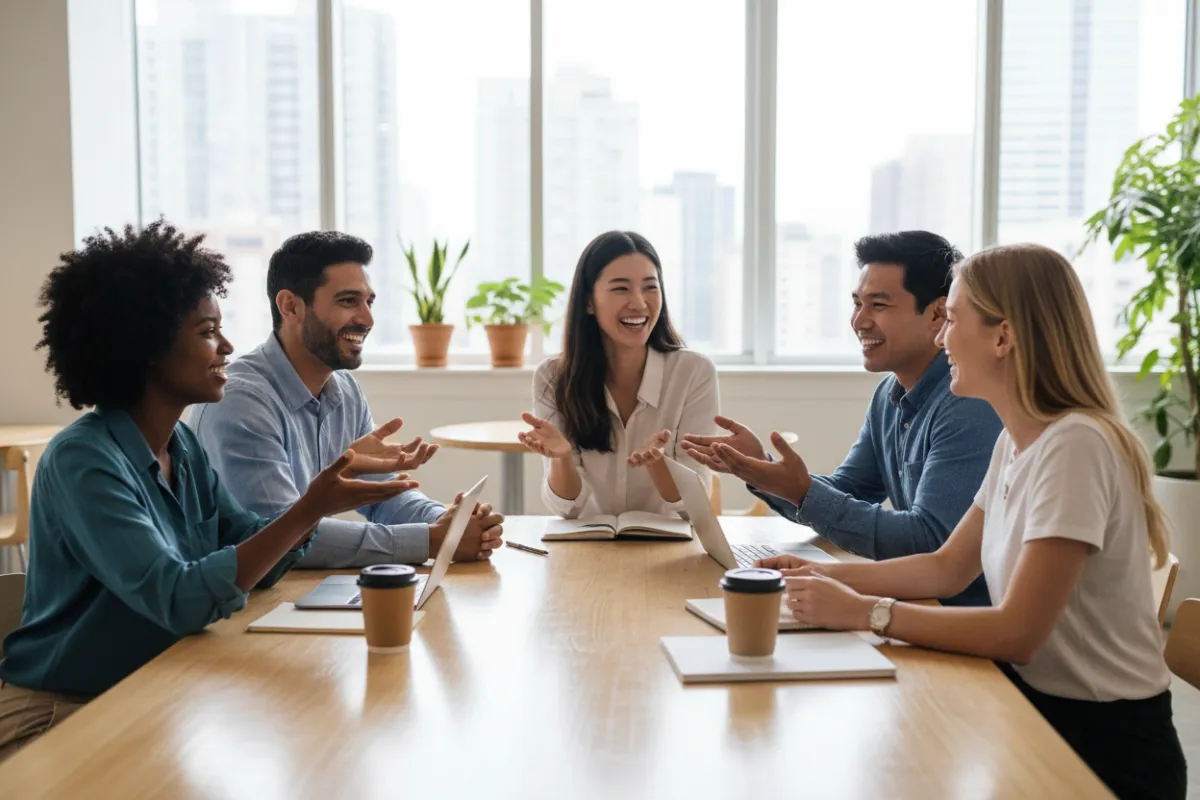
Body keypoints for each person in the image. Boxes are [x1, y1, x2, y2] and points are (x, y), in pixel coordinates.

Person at [760, 243, 1186, 799]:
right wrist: (822, 578)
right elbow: (946, 569)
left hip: (1105, 748)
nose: (941, 337)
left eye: (953, 320)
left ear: (1003, 337)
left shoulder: (1076, 447)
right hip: (1037, 712)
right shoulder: (1016, 441)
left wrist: (867, 613)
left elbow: (1017, 632)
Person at [0, 222, 417, 762]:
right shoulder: (84, 461)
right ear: (147, 347)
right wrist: (309, 509)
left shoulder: (183, 449)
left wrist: (312, 511)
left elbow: (258, 556)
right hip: (59, 712)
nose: (226, 346)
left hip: (151, 689)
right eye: (206, 332)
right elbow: (179, 599)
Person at [682, 231, 1001, 605]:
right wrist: (761, 468)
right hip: (914, 603)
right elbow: (848, 491)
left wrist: (800, 491)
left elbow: (929, 540)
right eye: (857, 303)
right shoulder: (888, 394)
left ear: (936, 315)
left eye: (878, 305)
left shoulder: (968, 402)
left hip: (960, 622)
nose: (860, 321)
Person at [190, 231, 503, 568]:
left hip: (292, 594)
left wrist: (451, 522)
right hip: (239, 606)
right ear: (291, 306)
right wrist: (431, 540)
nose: (367, 319)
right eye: (348, 301)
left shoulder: (344, 390)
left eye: (369, 302)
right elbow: (278, 537)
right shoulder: (241, 402)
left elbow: (382, 493)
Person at [518, 231, 719, 518]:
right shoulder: (553, 376)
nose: (638, 303)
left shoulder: (694, 373)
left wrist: (659, 465)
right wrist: (562, 459)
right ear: (588, 301)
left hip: (668, 551)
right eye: (621, 289)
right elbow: (568, 509)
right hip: (586, 549)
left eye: (650, 287)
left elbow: (695, 506)